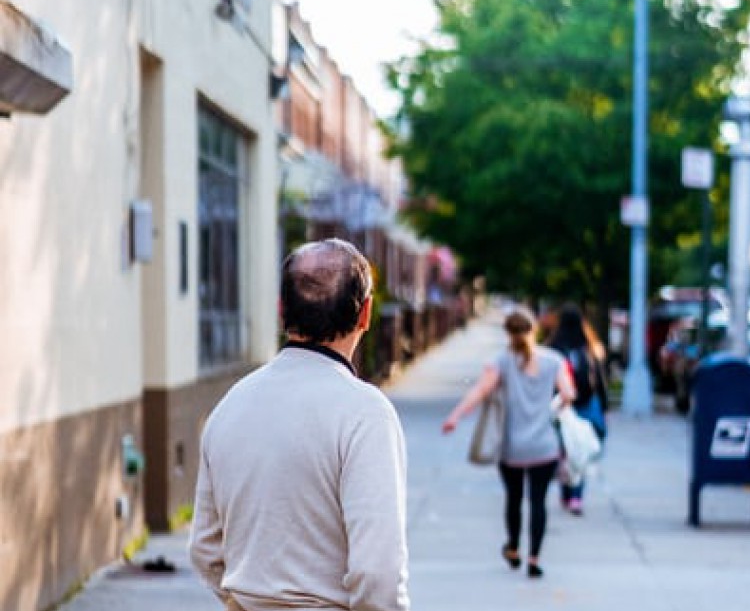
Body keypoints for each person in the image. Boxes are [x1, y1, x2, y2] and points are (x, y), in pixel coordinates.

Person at [189, 239, 410, 611]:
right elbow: (378, 574)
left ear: (281, 311)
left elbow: (204, 549)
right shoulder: (365, 413)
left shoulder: (231, 406)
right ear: (366, 313)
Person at [442, 307, 575, 579]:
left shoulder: (500, 362)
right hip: (544, 447)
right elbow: (569, 393)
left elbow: (479, 391)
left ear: (508, 334)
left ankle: (513, 549)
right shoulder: (554, 361)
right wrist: (555, 409)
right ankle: (534, 558)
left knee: (514, 499)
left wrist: (454, 417)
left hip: (511, 447)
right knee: (538, 502)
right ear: (534, 329)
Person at [547, 304, 609, 516]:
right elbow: (600, 379)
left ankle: (566, 492)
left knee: (565, 450)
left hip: (562, 405)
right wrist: (604, 407)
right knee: (580, 450)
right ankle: (576, 496)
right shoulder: (589, 347)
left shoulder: (553, 348)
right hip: (586, 403)